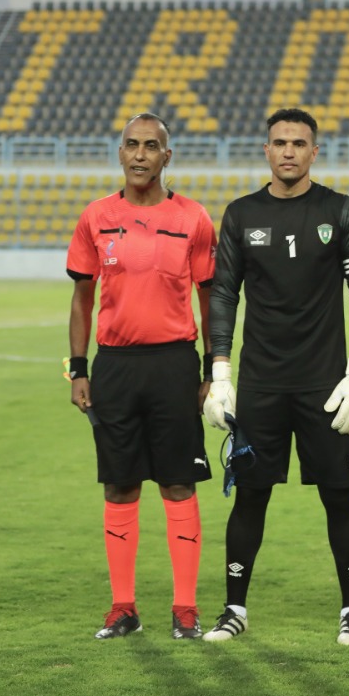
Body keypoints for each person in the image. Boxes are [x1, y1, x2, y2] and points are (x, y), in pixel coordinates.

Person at [200, 108, 349, 646]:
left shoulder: (338, 210)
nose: (289, 152)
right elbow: (223, 294)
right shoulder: (240, 214)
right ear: (267, 150)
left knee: (339, 496)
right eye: (280, 142)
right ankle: (234, 609)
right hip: (261, 385)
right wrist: (221, 373)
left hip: (325, 385)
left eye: (299, 143)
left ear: (314, 152)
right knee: (250, 496)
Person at [66, 112, 216, 640]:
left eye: (151, 146)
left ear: (166, 156)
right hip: (115, 366)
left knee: (178, 483)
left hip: (174, 365)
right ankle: (123, 607)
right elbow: (82, 300)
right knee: (120, 484)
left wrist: (213, 370)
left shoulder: (194, 218)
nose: (140, 154)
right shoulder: (96, 217)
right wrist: (78, 369)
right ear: (120, 152)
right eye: (132, 144)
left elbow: (209, 300)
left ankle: (185, 609)